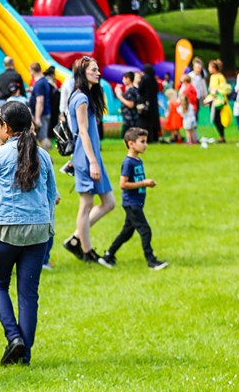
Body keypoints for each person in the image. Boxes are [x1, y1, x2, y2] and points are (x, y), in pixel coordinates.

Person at [0, 101, 58, 365]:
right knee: (28, 293)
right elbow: (51, 196)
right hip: (38, 233)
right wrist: (49, 232)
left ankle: (14, 337)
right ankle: (25, 354)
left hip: (5, 231)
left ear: (6, 127)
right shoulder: (43, 155)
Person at [62, 57, 115, 263]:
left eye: (98, 69)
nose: (98, 72)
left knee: (109, 202)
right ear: (82, 73)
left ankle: (76, 238)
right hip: (86, 157)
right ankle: (87, 251)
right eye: (94, 69)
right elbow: (82, 132)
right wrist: (92, 162)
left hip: (93, 155)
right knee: (86, 204)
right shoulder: (81, 98)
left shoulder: (87, 96)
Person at [99, 128, 168, 270]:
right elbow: (123, 184)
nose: (145, 145)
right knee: (145, 230)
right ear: (131, 144)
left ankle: (108, 256)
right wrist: (144, 183)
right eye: (142, 142)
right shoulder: (128, 162)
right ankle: (151, 261)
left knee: (126, 233)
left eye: (146, 142)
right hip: (132, 203)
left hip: (137, 202)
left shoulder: (138, 160)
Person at [206, 59, 230, 143]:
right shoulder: (212, 77)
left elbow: (224, 88)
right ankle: (221, 136)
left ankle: (222, 137)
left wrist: (217, 90)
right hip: (213, 100)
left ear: (214, 68)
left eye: (210, 67)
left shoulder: (220, 77)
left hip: (219, 101)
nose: (208, 69)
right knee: (214, 119)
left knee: (217, 118)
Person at [136, 64, 161, 143]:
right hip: (153, 103)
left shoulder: (144, 78)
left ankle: (148, 138)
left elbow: (140, 90)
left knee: (145, 121)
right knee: (153, 121)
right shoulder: (154, 79)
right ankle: (154, 137)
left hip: (145, 102)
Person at [115, 71, 140, 137]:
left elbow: (130, 104)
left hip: (130, 119)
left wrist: (119, 96)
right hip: (132, 118)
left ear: (128, 79)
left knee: (127, 137)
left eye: (124, 79)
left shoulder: (131, 91)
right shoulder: (135, 90)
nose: (122, 81)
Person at [178, 74, 199, 144]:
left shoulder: (187, 90)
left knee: (188, 130)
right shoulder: (193, 88)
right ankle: (195, 140)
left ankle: (189, 141)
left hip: (187, 111)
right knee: (193, 129)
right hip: (193, 109)